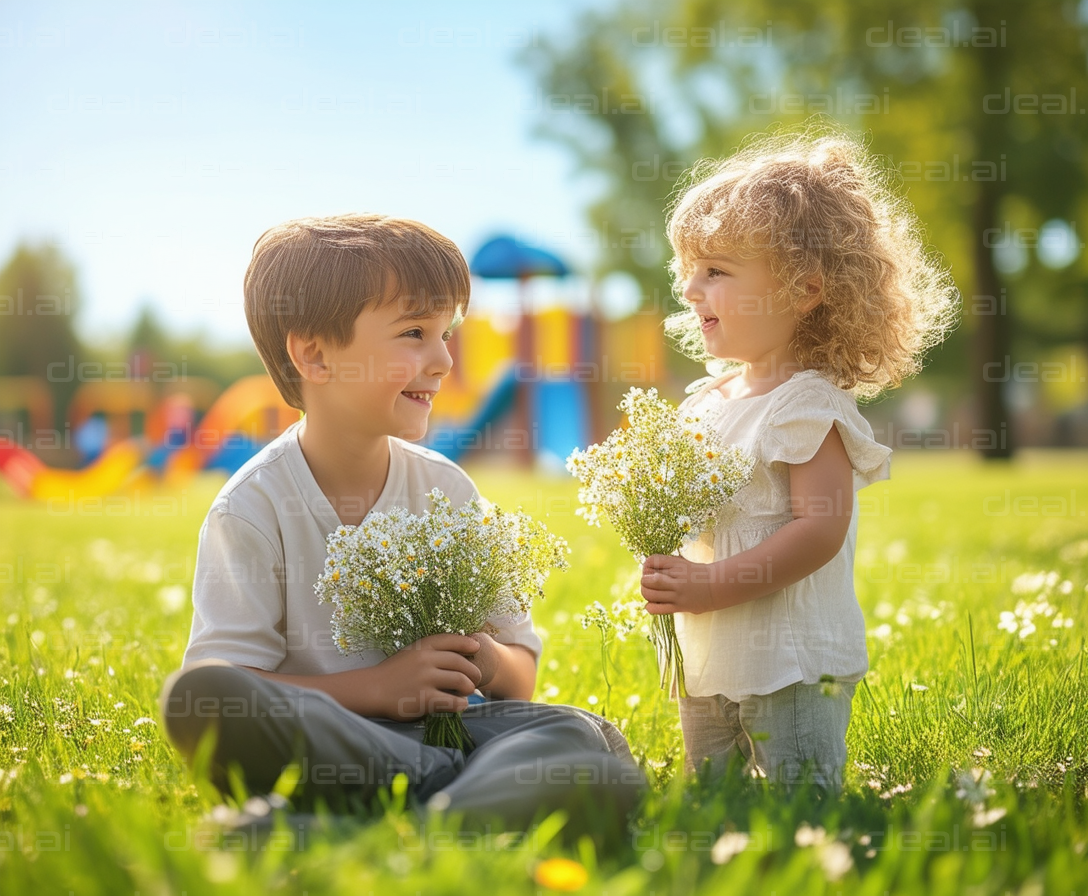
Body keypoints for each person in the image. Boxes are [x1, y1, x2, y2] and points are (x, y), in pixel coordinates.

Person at [160, 214, 642, 830]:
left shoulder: (445, 489)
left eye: (447, 334)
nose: (443, 360)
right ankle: (455, 815)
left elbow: (519, 676)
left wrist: (484, 661)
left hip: (462, 739)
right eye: (414, 332)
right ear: (314, 354)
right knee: (202, 696)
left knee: (578, 734)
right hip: (343, 740)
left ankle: (361, 830)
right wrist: (381, 688)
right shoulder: (253, 507)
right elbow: (235, 681)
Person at [639, 125, 957, 791]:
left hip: (790, 658)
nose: (691, 291)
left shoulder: (807, 406)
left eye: (716, 273)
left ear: (803, 290)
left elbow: (818, 531)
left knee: (797, 794)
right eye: (687, 272)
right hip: (711, 647)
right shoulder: (709, 399)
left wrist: (707, 586)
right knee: (713, 795)